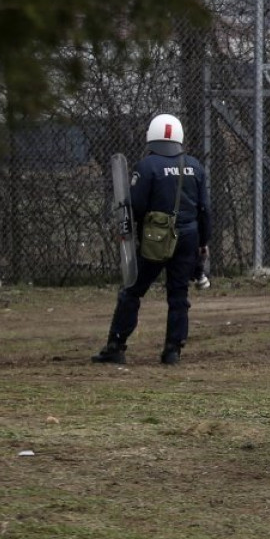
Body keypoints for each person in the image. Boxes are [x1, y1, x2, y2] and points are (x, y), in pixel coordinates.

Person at [91, 113, 210, 365]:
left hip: (155, 240)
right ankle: (172, 350)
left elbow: (136, 205)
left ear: (151, 137)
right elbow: (205, 210)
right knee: (178, 295)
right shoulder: (196, 167)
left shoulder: (146, 167)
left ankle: (116, 345)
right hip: (188, 236)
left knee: (132, 290)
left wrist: (130, 230)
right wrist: (203, 242)